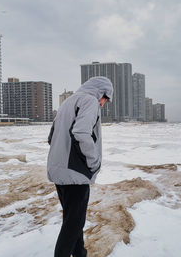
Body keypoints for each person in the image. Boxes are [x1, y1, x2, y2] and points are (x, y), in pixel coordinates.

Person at [47, 76, 113, 257]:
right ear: (101, 93)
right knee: (72, 224)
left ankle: (80, 254)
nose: (103, 104)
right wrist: (93, 163)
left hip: (59, 171)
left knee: (73, 221)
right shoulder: (90, 101)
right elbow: (81, 133)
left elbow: (51, 137)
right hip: (75, 174)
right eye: (105, 99)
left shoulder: (68, 102)